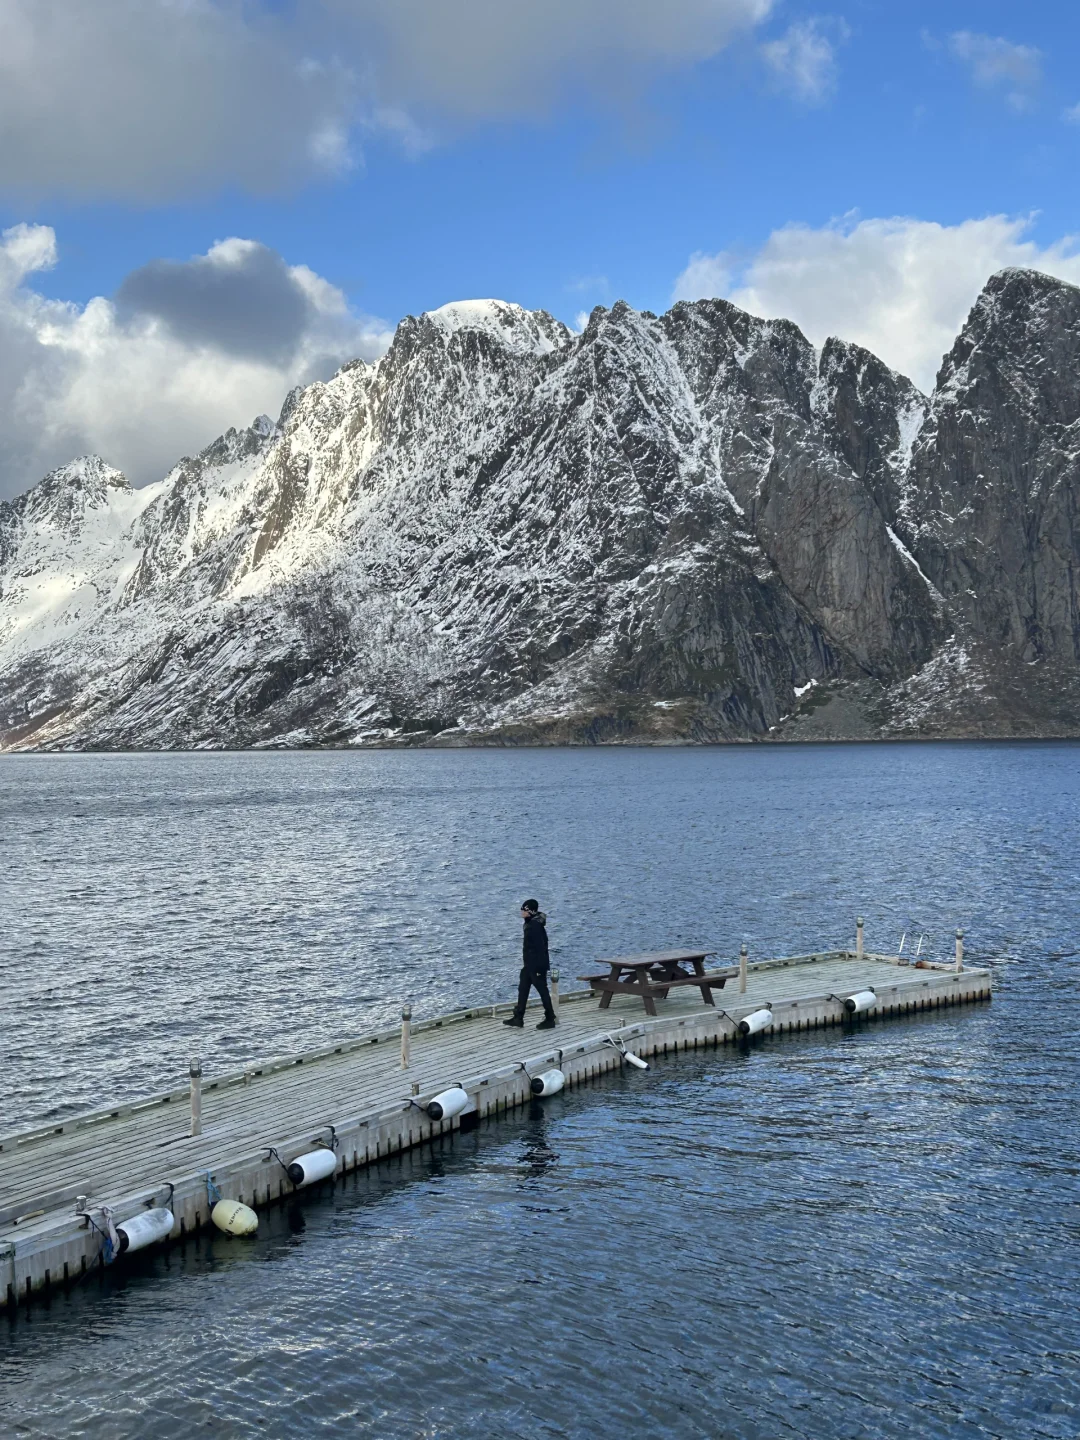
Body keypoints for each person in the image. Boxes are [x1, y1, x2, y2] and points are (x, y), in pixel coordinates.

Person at [503, 899, 557, 1029]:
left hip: (536, 965)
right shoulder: (529, 924)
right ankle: (518, 1017)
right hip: (529, 964)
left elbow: (540, 947)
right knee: (523, 988)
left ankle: (550, 1018)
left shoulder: (534, 926)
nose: (521, 912)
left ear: (530, 911)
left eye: (524, 910)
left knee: (542, 990)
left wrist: (538, 967)